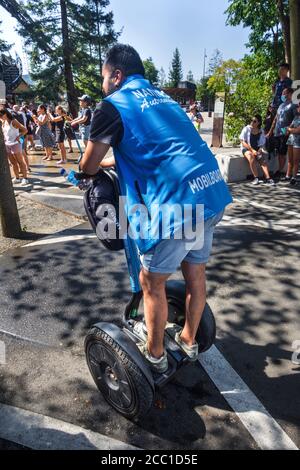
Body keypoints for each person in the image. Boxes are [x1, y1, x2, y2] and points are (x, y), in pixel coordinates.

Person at [80, 44, 232, 373]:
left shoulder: (112, 106)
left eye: (104, 77)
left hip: (178, 207)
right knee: (195, 274)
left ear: (116, 75)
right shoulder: (166, 101)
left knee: (152, 283)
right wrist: (113, 160)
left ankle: (155, 354)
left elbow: (88, 164)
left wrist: (88, 170)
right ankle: (190, 341)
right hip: (208, 194)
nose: (103, 84)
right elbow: (161, 148)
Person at [267, 87, 298, 179]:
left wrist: (290, 131)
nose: (282, 95)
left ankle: (280, 171)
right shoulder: (281, 105)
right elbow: (276, 119)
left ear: (290, 94)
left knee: (282, 152)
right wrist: (270, 131)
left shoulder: (293, 105)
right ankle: (280, 171)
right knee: (278, 152)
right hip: (277, 132)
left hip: (286, 133)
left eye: (285, 93)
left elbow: (295, 120)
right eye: (282, 93)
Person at [240, 115, 275, 186]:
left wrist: (259, 150)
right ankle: (256, 178)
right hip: (246, 148)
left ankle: (268, 178)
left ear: (258, 123)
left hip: (256, 149)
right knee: (251, 156)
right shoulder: (246, 129)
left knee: (262, 160)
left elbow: (262, 143)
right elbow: (243, 141)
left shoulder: (261, 131)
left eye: (254, 121)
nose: (252, 122)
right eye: (251, 120)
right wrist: (252, 150)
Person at [0, 108, 29, 185]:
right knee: (13, 163)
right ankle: (17, 178)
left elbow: (25, 130)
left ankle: (25, 178)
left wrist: (19, 136)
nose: (0, 117)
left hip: (16, 143)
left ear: (5, 114)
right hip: (7, 144)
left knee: (20, 162)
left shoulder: (13, 121)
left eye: (0, 115)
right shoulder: (3, 121)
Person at [286, 101, 300, 185]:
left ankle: (294, 177)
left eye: (299, 106)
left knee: (296, 160)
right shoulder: (296, 117)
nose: (298, 108)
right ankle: (288, 175)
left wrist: (290, 130)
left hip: (298, 141)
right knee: (290, 159)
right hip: (291, 140)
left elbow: (298, 130)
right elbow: (289, 127)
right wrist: (290, 130)